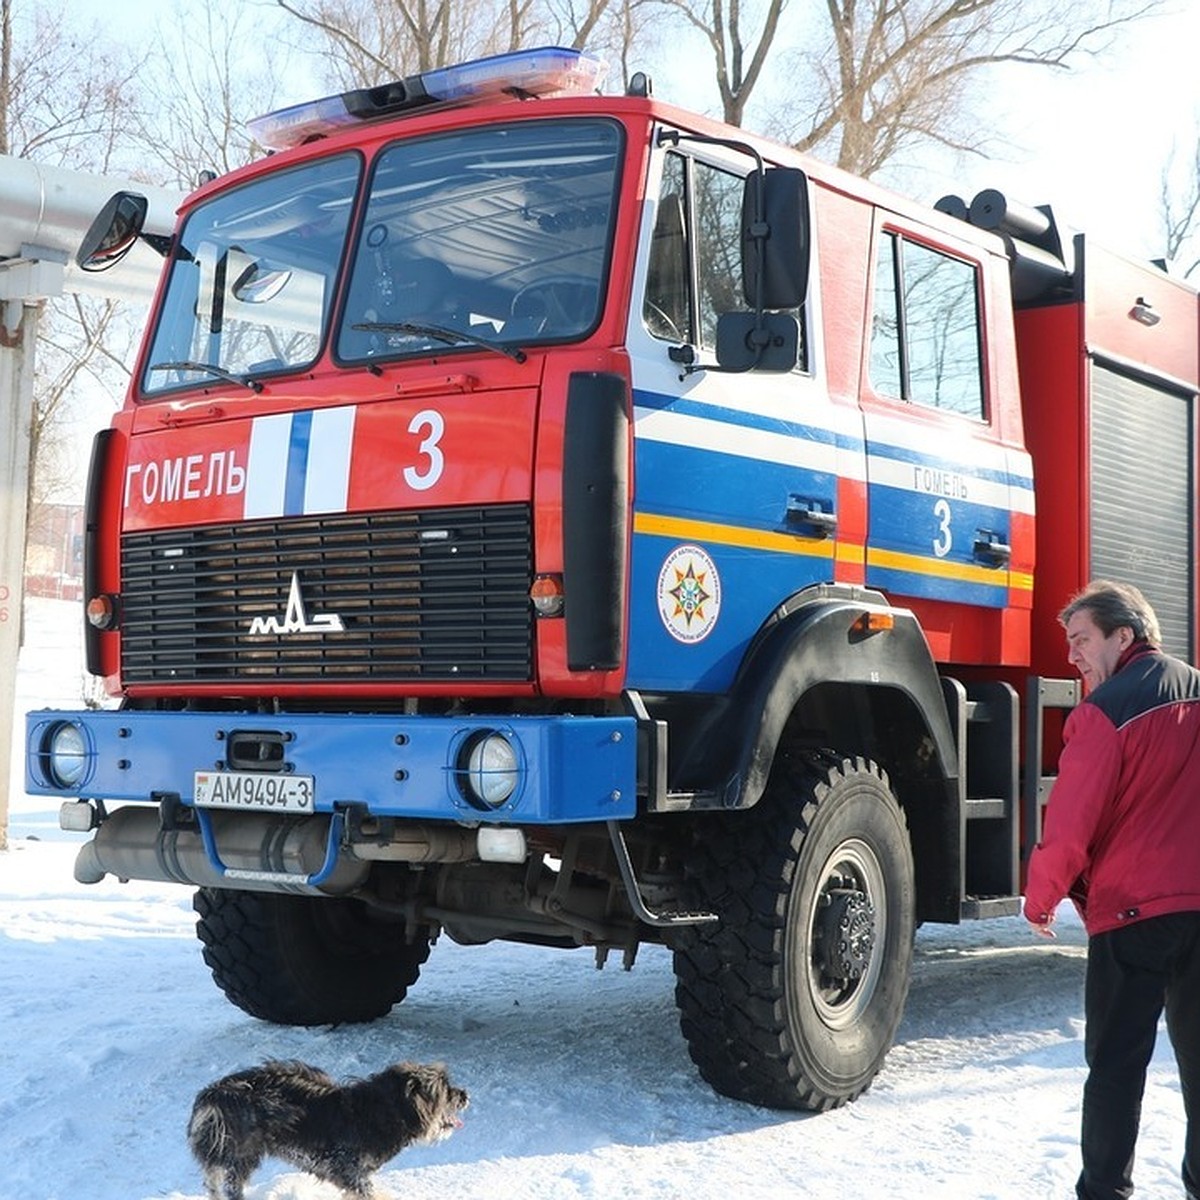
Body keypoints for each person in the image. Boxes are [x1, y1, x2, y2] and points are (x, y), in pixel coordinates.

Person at [1025, 580, 1200, 1200]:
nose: (1072, 654)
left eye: (1082, 639)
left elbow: (1071, 821)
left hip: (1133, 915)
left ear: (1124, 636)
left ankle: (1104, 1191)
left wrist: (1041, 895)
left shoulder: (1104, 711)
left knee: (1117, 1068)